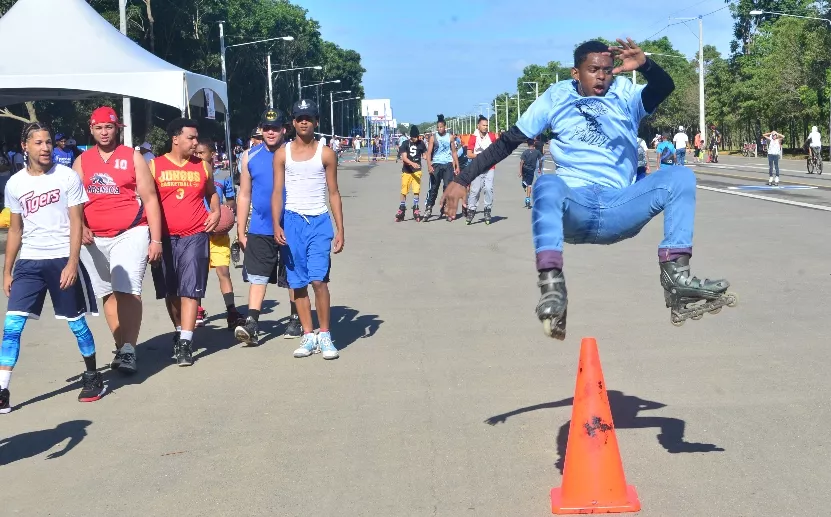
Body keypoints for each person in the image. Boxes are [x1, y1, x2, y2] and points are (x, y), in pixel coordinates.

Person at [440, 38, 735, 337]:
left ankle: (677, 279)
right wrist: (462, 179)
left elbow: (663, 88)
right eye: (593, 70)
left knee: (680, 177)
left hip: (620, 206)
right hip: (576, 206)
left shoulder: (624, 93)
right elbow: (506, 142)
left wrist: (645, 64)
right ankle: (552, 288)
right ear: (575, 73)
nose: (602, 77)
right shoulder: (555, 97)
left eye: (607, 70)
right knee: (547, 185)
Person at [2, 122, 104, 413]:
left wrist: (73, 262)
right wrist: (7, 270)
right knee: (12, 327)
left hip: (61, 258)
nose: (45, 147)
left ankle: (93, 375)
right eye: (38, 143)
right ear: (25, 146)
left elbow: (76, 222)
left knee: (76, 323)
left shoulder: (67, 177)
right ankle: (2, 390)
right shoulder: (15, 183)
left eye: (48, 142)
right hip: (29, 262)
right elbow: (15, 230)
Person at [74, 106, 163, 375]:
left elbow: (150, 199)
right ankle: (121, 345)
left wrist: (156, 240)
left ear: (117, 128)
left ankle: (128, 350)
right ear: (91, 129)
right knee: (107, 292)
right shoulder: (82, 161)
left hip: (131, 231)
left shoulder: (132, 157)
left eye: (109, 127)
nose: (104, 132)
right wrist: (80, 226)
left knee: (127, 289)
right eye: (99, 127)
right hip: (94, 239)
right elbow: (73, 203)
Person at [272, 99, 345, 360]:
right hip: (292, 221)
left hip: (319, 221)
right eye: (299, 117)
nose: (304, 121)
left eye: (309, 117)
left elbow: (334, 192)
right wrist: (276, 224)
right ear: (292, 123)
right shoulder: (283, 153)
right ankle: (308, 334)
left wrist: (340, 229)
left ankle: (325, 334)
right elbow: (277, 192)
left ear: (316, 122)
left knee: (318, 280)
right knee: (298, 282)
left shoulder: (326, 153)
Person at [149, 118, 220, 366]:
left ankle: (186, 343)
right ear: (175, 138)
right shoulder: (154, 167)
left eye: (196, 138)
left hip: (195, 234)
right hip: (164, 239)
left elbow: (212, 194)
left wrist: (216, 212)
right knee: (171, 291)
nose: (195, 143)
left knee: (190, 289)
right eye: (190, 138)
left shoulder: (203, 167)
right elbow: (146, 201)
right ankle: (180, 330)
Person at [234, 108, 302, 346]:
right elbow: (244, 195)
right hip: (260, 228)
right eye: (267, 128)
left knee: (293, 276)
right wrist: (241, 229)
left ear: (285, 129)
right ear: (261, 130)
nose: (271, 132)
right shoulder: (249, 156)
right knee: (257, 276)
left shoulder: (294, 153)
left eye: (275, 128)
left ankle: (296, 317)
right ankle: (252, 322)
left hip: (291, 225)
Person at [194, 138, 243, 329]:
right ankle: (196, 308)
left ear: (212, 154)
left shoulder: (223, 175)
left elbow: (231, 200)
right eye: (195, 153)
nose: (197, 156)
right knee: (197, 275)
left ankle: (231, 310)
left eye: (201, 153)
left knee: (223, 272)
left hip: (219, 235)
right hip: (198, 233)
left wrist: (226, 214)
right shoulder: (193, 173)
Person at [425, 115, 460, 221]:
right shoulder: (433, 137)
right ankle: (429, 208)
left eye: (441, 127)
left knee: (447, 187)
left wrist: (457, 166)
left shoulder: (450, 137)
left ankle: (446, 208)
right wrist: (429, 165)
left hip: (448, 164)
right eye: (438, 127)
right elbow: (429, 153)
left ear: (445, 127)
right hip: (436, 164)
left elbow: (454, 152)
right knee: (434, 188)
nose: (440, 129)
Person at [466, 115, 498, 225]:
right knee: (475, 190)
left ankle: (487, 210)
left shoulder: (492, 136)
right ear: (478, 126)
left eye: (487, 125)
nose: (485, 127)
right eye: (483, 125)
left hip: (490, 167)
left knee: (488, 189)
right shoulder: (473, 137)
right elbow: (469, 154)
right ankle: (471, 210)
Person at [396, 125, 427, 222]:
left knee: (416, 190)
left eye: (418, 136)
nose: (417, 138)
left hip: (417, 171)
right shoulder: (405, 143)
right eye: (415, 137)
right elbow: (404, 158)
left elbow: (425, 155)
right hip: (407, 171)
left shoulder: (421, 143)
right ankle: (402, 207)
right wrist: (412, 163)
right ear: (411, 136)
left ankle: (416, 207)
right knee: (404, 190)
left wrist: (428, 156)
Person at [519, 138, 543, 208]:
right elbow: (540, 161)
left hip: (524, 168)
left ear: (527, 144)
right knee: (529, 185)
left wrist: (520, 171)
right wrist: (539, 169)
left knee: (525, 180)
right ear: (534, 144)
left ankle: (523, 182)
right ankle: (527, 199)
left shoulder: (525, 152)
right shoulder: (537, 152)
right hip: (531, 169)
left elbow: (521, 162)